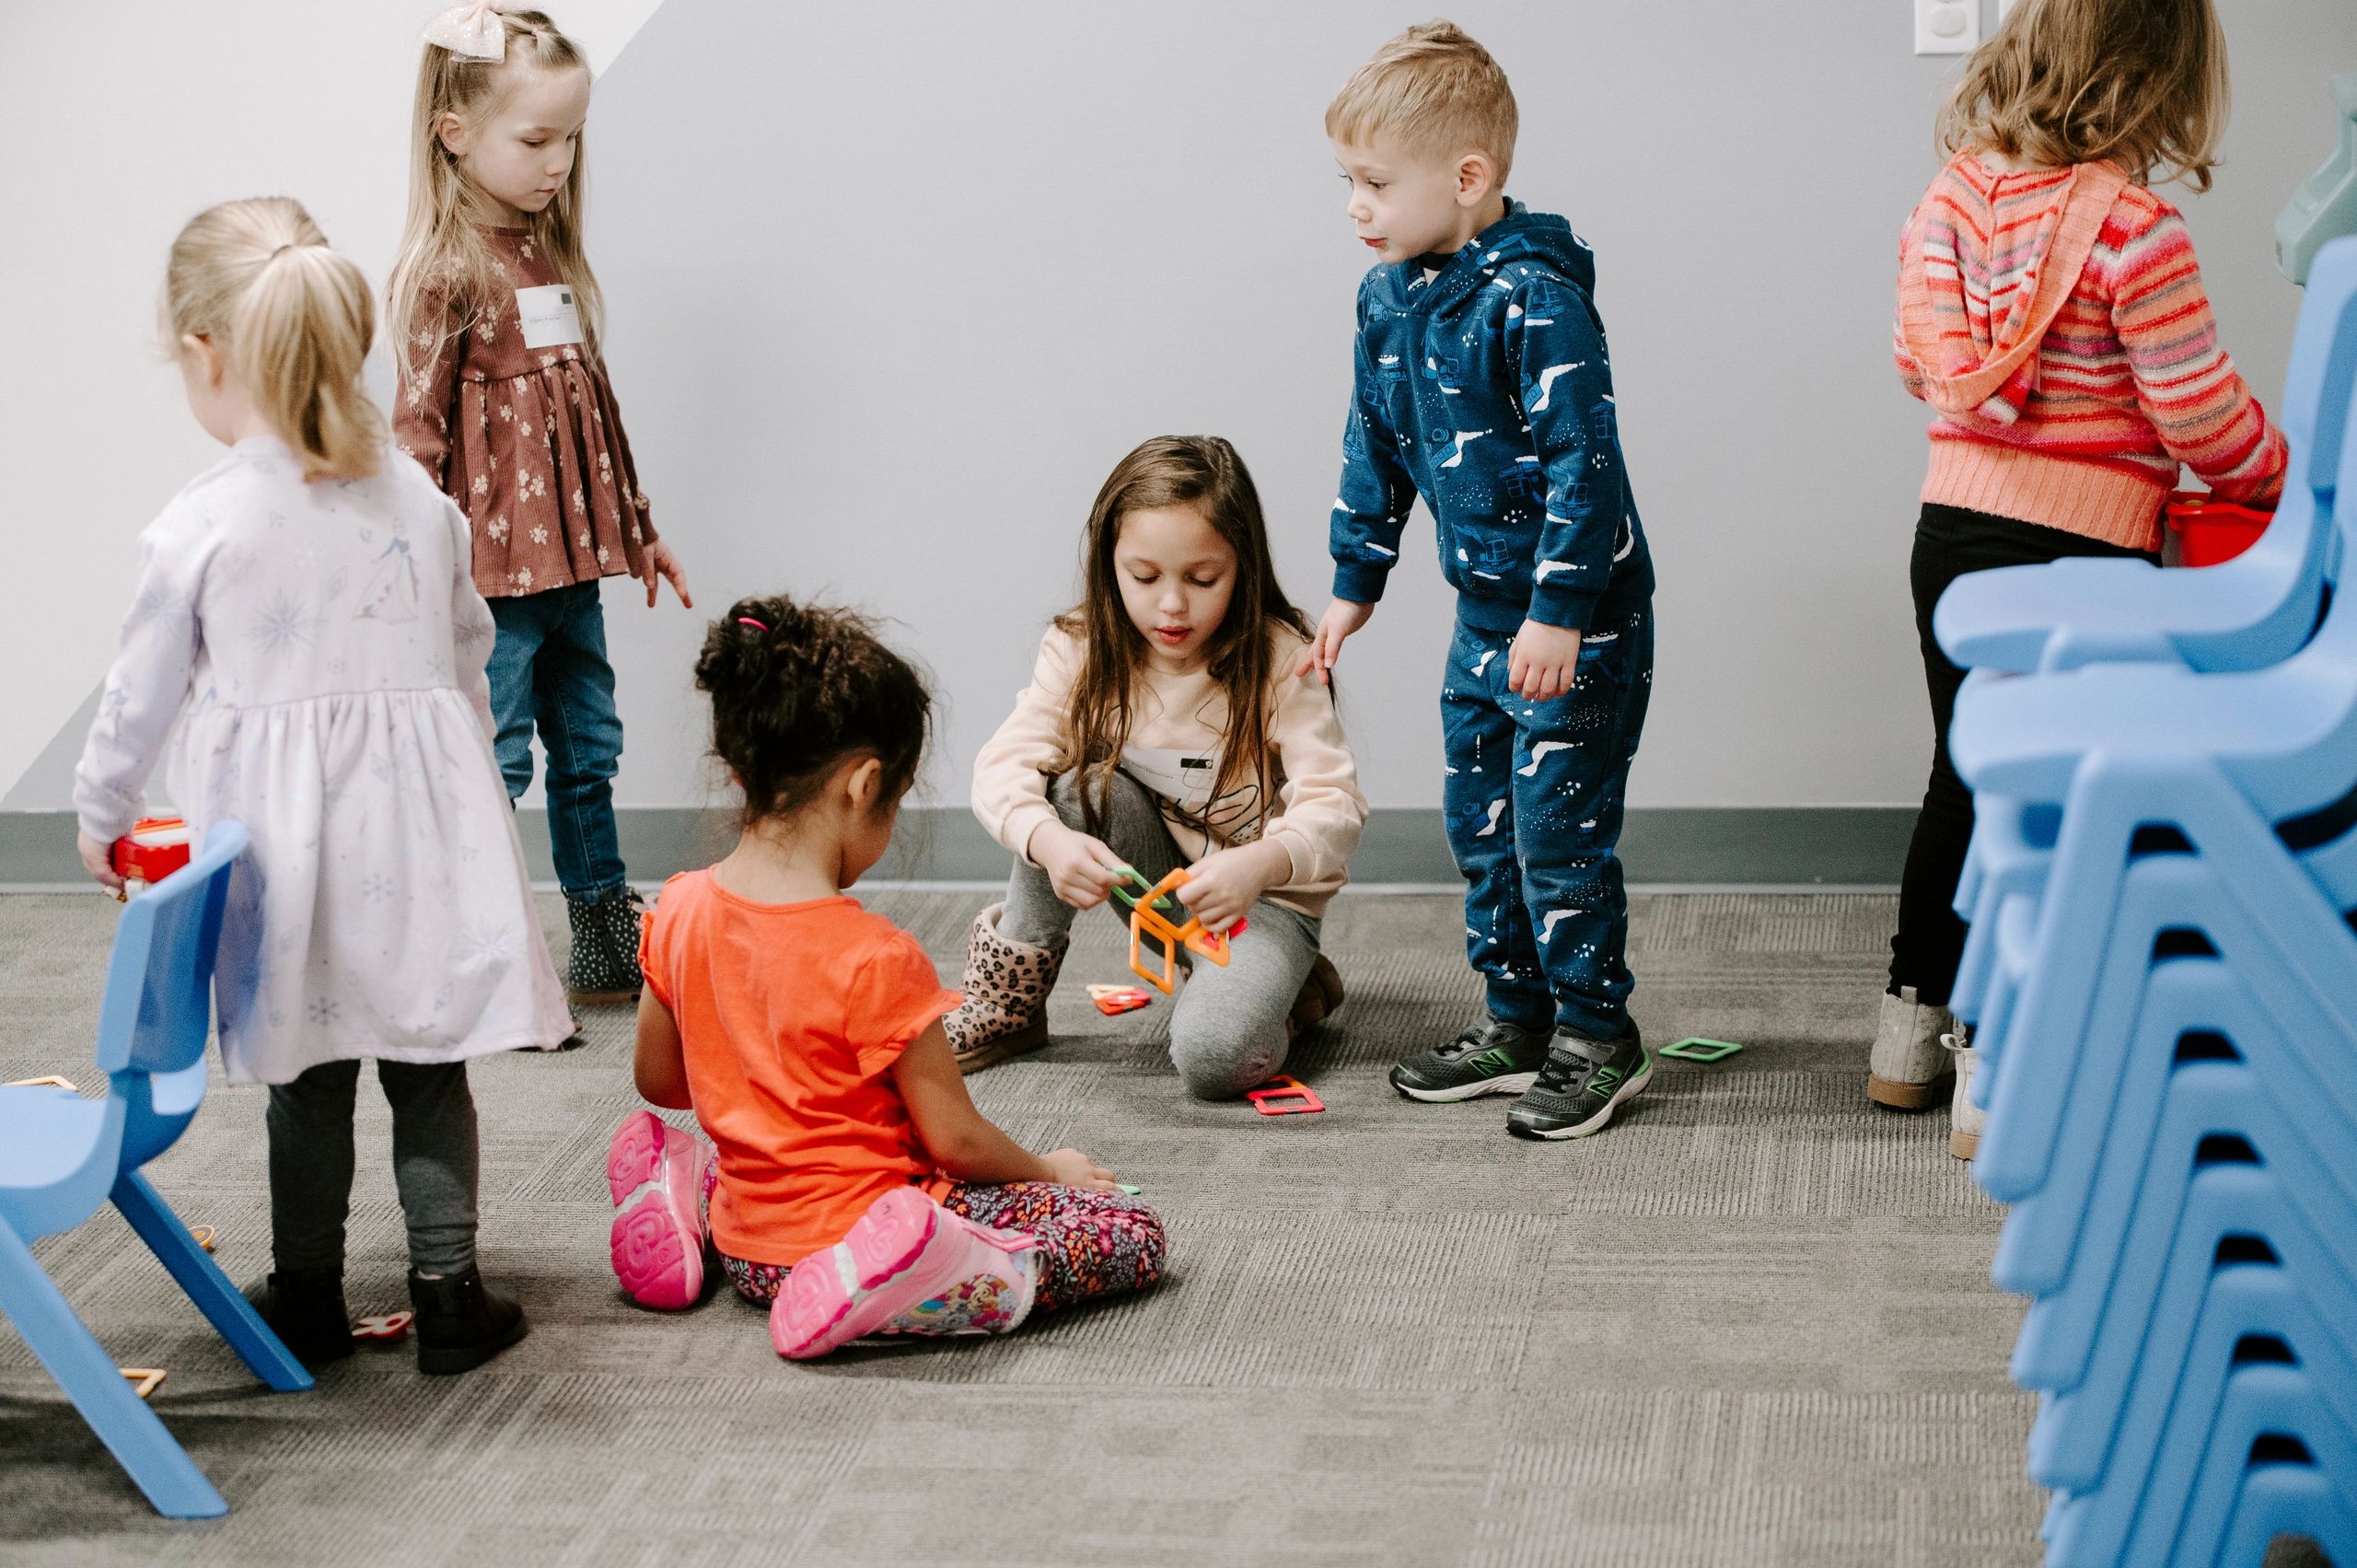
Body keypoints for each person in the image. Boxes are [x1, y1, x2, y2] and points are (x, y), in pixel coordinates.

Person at [73, 197, 569, 1373]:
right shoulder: (418, 501)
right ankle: (449, 1292)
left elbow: (137, 696)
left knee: (307, 1076)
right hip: (423, 833)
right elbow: (468, 654)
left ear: (206, 352)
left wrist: (101, 817)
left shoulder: (203, 522)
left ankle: (305, 1290)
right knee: (427, 1059)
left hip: (281, 848)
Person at [1881, 0, 2288, 1145]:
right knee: (2053, 803)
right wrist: (2280, 473)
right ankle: (1999, 1059)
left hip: (1950, 535)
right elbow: (2198, 416)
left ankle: (1905, 1034)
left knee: (1962, 776)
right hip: (2083, 551)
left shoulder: (1945, 200)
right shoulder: (2136, 230)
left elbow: (1916, 364)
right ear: (2154, 81)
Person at [610, 596, 1166, 1356]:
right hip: (861, 1232)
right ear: (864, 784)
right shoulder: (876, 957)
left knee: (731, 1160)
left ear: (740, 765)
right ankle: (899, 1281)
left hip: (750, 1248)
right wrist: (1047, 1168)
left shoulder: (676, 908)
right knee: (1128, 1230)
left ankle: (686, 1199)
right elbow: (956, 1140)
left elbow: (660, 1081)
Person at [1301, 22, 1658, 1139]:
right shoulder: (1387, 299)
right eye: (1345, 182)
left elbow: (1584, 464)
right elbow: (1374, 439)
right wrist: (1356, 577)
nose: (1354, 207)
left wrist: (1560, 609)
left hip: (1576, 622)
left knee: (1557, 835)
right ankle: (1518, 1018)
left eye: (1374, 183)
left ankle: (1598, 1034)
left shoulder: (1536, 298)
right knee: (1483, 825)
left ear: (1466, 178)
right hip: (1482, 618)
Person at [389, 2, 692, 1009]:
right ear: (454, 131)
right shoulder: (445, 273)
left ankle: (602, 929)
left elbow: (590, 411)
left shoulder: (547, 250)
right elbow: (416, 437)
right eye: (535, 140)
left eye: (571, 138)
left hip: (573, 572)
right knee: (496, 759)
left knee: (590, 749)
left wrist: (639, 529)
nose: (559, 161)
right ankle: (468, 940)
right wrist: (412, 571)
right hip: (492, 583)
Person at [955, 436, 1366, 1098]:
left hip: (1257, 900)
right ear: (1109, 566)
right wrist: (1050, 842)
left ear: (1243, 569)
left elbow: (1335, 806)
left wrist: (1256, 866)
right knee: (1071, 793)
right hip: (1159, 894)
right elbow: (1003, 765)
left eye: (1203, 580)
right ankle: (1006, 1004)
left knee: (1213, 1058)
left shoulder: (1280, 658)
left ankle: (1290, 988)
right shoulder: (1080, 646)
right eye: (1144, 578)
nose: (1172, 605)